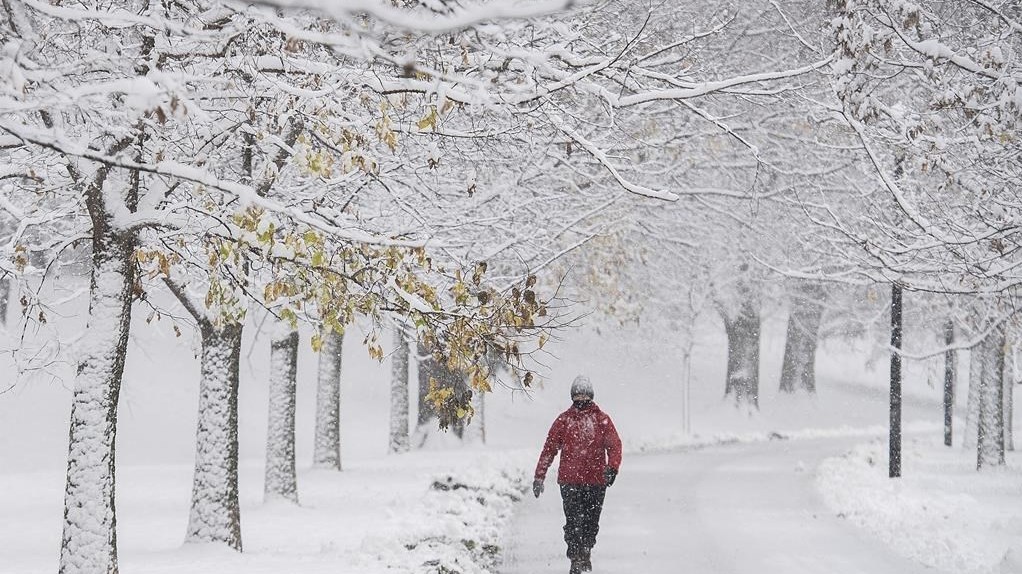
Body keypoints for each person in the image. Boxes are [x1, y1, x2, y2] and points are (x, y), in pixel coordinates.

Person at [533, 375, 622, 574]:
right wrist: (540, 475)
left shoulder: (602, 420)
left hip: (596, 481)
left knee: (591, 520)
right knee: (573, 520)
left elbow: (614, 446)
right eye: (577, 394)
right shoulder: (564, 420)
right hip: (569, 480)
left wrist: (612, 468)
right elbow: (549, 449)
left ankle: (586, 549)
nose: (581, 398)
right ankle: (575, 556)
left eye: (584, 394)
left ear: (590, 395)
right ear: (572, 396)